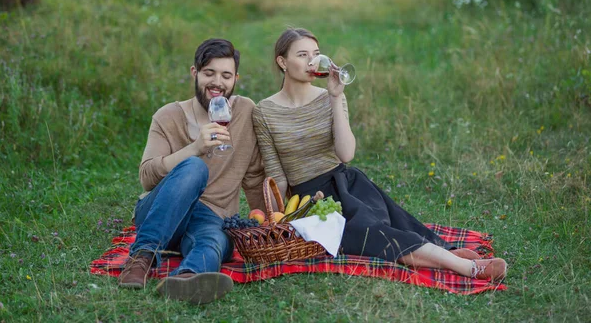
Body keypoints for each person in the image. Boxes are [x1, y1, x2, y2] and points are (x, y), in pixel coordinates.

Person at [252, 28, 508, 282]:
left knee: (390, 225)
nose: (312, 62)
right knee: (374, 234)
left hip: (346, 185)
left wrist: (335, 97)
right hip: (311, 201)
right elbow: (276, 175)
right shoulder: (264, 111)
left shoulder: (330, 97)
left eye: (316, 54)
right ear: (282, 61)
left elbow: (346, 154)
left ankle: (453, 259)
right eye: (302, 55)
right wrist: (278, 222)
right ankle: (463, 266)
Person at [118, 38, 266, 304]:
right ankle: (141, 258)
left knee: (214, 241)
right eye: (209, 73)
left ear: (236, 79)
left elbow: (254, 175)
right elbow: (147, 177)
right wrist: (194, 148)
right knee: (194, 167)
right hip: (161, 211)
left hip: (212, 216)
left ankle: (188, 278)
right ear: (195, 73)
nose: (217, 83)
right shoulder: (167, 116)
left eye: (226, 75)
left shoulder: (245, 112)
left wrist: (263, 224)